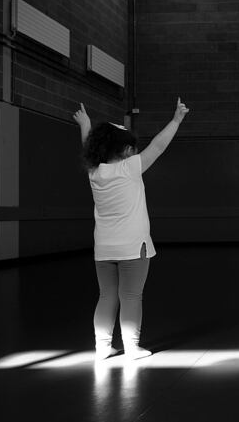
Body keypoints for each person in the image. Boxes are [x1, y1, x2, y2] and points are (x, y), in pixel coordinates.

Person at [72, 98, 189, 360]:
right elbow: (158, 146)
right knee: (132, 296)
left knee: (106, 296)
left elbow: (87, 145)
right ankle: (132, 347)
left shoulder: (95, 172)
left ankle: (102, 348)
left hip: (104, 248)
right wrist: (176, 120)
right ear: (126, 150)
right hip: (133, 247)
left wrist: (86, 124)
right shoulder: (131, 168)